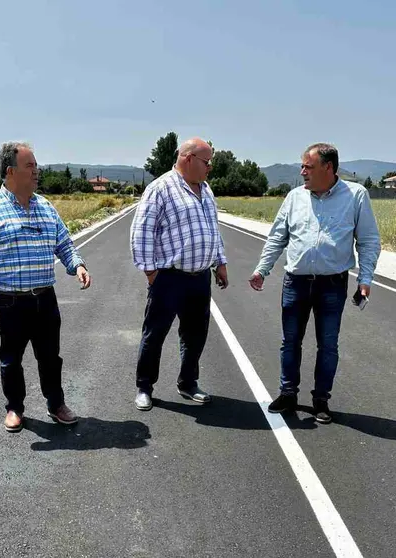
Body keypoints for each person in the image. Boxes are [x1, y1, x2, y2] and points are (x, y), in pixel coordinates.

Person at [248, 143, 381, 423]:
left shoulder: (355, 196)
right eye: (303, 166)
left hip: (332, 285)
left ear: (328, 167)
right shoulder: (295, 197)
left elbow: (368, 241)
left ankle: (321, 400)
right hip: (295, 283)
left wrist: (365, 279)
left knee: (328, 345)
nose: (302, 171)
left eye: (308, 166)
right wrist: (263, 269)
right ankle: (288, 394)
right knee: (290, 341)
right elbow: (277, 237)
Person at [0, 142, 91, 433]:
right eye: (30, 166)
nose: (37, 171)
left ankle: (56, 404)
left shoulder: (45, 206)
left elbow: (64, 243)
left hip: (44, 298)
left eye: (36, 165)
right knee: (11, 359)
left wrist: (78, 265)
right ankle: (14, 408)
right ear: (10, 171)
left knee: (50, 357)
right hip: (9, 302)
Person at [130, 138, 229, 411]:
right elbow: (141, 233)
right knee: (155, 334)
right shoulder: (160, 188)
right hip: (169, 278)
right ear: (188, 159)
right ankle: (144, 387)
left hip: (200, 278)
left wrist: (220, 262)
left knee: (195, 335)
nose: (209, 168)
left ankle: (188, 383)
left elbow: (213, 230)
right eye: (206, 162)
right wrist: (151, 273)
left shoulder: (206, 191)